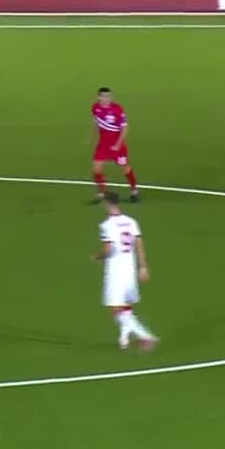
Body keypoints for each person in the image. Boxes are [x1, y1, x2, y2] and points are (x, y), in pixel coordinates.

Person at [94, 192, 158, 351]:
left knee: (115, 309)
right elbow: (139, 244)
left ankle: (145, 336)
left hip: (116, 271)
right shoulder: (131, 222)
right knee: (127, 307)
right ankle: (124, 339)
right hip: (130, 269)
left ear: (106, 204)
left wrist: (98, 256)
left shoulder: (107, 225)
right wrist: (143, 267)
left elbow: (108, 249)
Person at [91, 87, 141, 203]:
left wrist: (118, 144)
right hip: (103, 145)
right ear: (99, 97)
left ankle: (134, 190)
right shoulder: (95, 107)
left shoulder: (117, 109)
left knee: (125, 169)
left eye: (109, 96)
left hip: (117, 146)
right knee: (96, 169)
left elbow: (125, 128)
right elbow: (96, 121)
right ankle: (102, 193)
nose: (107, 99)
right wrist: (93, 135)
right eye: (104, 96)